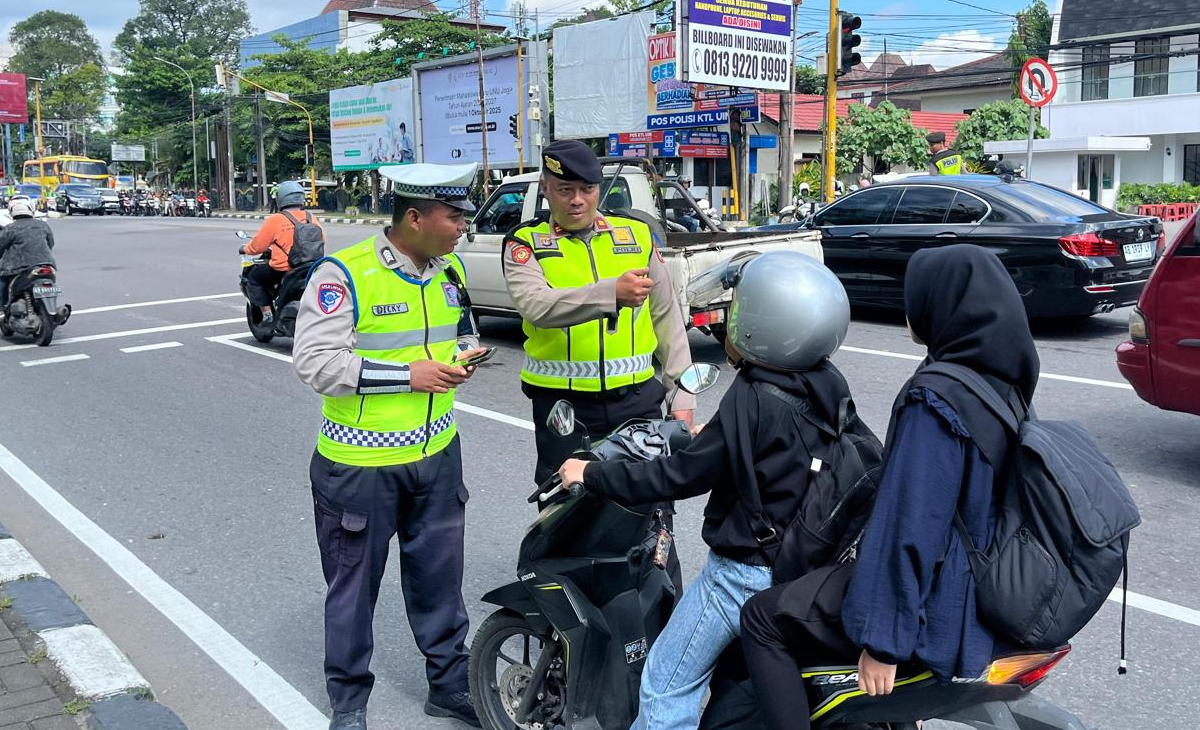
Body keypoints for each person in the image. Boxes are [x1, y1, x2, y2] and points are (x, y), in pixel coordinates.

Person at [739, 244, 1040, 730]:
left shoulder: (937, 399)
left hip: (937, 603)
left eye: (916, 294)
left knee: (761, 618)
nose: (908, 305)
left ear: (942, 304)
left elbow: (911, 525)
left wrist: (884, 642)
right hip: (978, 588)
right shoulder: (1001, 382)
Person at [557, 251, 854, 730]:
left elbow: (676, 478)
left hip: (742, 577)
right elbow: (780, 451)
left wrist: (591, 474)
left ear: (764, 322)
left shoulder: (753, 396)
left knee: (666, 683)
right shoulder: (823, 380)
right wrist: (719, 444)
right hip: (797, 558)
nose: (731, 319)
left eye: (738, 309)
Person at [293, 161, 488, 730]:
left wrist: (463, 359)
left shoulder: (447, 272)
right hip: (361, 465)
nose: (461, 228)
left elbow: (464, 331)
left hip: (436, 456)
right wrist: (409, 377)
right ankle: (349, 705)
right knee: (353, 592)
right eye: (454, 217)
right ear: (414, 216)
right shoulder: (342, 273)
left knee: (440, 582)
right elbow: (316, 363)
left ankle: (450, 685)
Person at [503, 139, 695, 486]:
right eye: (565, 189)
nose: (577, 200)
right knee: (567, 509)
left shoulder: (636, 235)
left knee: (649, 509)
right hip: (564, 409)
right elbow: (536, 306)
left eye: (587, 189)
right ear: (545, 189)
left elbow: (666, 317)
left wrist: (681, 394)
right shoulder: (526, 242)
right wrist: (611, 294)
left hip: (638, 401)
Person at [239, 181, 323, 327]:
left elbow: (257, 246)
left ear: (281, 199)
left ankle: (267, 315)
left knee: (253, 278)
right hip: (310, 267)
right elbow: (322, 239)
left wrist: (245, 249)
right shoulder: (311, 217)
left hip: (285, 268)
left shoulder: (276, 220)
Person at [0, 198, 55, 310]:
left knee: (2, 281)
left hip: (19, 267)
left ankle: (3, 308)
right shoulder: (43, 225)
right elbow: (51, 243)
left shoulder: (10, 228)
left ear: (11, 211)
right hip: (47, 264)